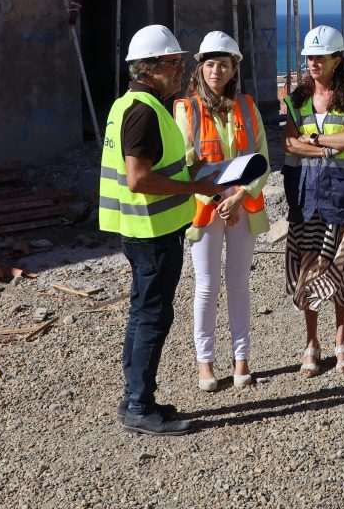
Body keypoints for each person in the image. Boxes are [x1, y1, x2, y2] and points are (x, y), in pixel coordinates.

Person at [99, 24, 220, 436]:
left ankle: (138, 395)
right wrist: (195, 187)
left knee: (142, 313)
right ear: (149, 68)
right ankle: (138, 405)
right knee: (152, 316)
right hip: (152, 232)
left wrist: (189, 170)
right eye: (173, 62)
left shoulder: (130, 104)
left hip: (145, 230)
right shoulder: (143, 111)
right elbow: (138, 179)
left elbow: (152, 167)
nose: (181, 68)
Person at [174, 31, 270, 392]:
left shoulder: (247, 106)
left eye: (224, 65)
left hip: (242, 207)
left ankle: (242, 359)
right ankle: (206, 363)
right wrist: (220, 201)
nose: (217, 70)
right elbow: (187, 165)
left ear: (233, 71)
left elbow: (261, 160)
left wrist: (239, 198)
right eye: (211, 64)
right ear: (201, 68)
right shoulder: (186, 108)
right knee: (206, 286)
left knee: (239, 284)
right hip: (206, 209)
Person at [282, 25, 344, 377]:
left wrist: (314, 138)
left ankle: (341, 339)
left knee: (340, 267)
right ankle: (312, 342)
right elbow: (289, 144)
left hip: (341, 194)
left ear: (337, 59)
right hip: (305, 196)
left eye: (319, 57)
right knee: (308, 265)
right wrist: (330, 145)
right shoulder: (296, 100)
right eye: (309, 58)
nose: (312, 63)